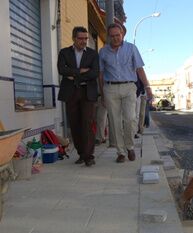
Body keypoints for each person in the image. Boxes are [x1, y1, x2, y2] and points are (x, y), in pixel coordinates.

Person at [99, 23, 152, 163]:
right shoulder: (103, 52)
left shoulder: (131, 48)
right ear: (108, 36)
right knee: (114, 121)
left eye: (118, 35)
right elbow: (100, 74)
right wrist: (102, 94)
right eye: (112, 36)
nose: (115, 38)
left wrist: (148, 87)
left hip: (129, 87)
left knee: (130, 118)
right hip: (110, 89)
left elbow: (140, 69)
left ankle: (130, 146)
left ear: (122, 34)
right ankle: (120, 152)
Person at [57, 26, 99, 167]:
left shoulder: (93, 54)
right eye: (80, 38)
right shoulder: (64, 52)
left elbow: (94, 72)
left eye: (86, 38)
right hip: (71, 92)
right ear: (74, 38)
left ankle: (89, 156)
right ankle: (81, 153)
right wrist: (81, 71)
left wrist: (73, 74)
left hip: (88, 92)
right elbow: (62, 70)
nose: (84, 41)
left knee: (87, 123)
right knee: (74, 124)